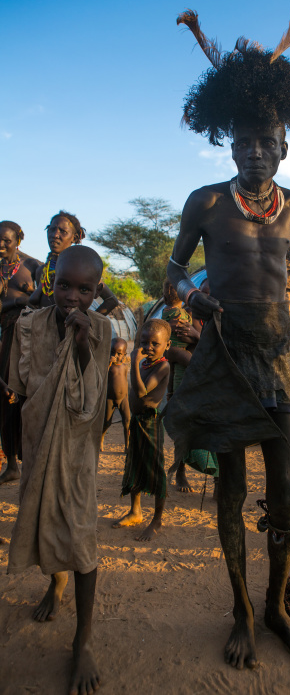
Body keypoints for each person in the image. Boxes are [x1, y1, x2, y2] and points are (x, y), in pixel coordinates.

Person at [165, 8, 290, 669]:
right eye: (246, 143)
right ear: (231, 146)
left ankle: (277, 605)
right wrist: (191, 295)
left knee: (283, 497)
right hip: (224, 354)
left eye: (269, 143)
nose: (257, 152)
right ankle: (242, 612)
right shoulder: (205, 202)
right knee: (230, 492)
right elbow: (171, 270)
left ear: (285, 147)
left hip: (276, 361)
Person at [7, 245, 111, 695]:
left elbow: (93, 400)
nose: (71, 297)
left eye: (84, 290)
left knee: (81, 535)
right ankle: (56, 582)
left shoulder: (103, 329)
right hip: (37, 443)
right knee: (43, 521)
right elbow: (20, 388)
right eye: (64, 285)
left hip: (78, 451)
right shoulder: (28, 327)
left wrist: (84, 341)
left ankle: (83, 639)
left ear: (95, 292)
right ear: (51, 281)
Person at [113, 319, 170, 541]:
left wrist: (134, 364)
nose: (149, 347)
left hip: (150, 422)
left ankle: (157, 519)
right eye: (144, 342)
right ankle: (135, 511)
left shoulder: (162, 366)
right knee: (135, 464)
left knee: (155, 469)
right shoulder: (145, 363)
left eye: (155, 343)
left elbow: (141, 391)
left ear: (166, 345)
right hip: (137, 422)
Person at [162, 278, 219, 493]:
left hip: (211, 382)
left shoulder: (225, 316)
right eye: (202, 296)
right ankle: (180, 471)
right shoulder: (184, 316)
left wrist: (197, 336)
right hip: (189, 380)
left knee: (214, 430)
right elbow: (171, 347)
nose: (206, 300)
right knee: (184, 429)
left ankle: (216, 480)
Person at [0, 220, 38, 485]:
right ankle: (11, 463)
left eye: (6, 240)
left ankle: (29, 463)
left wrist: (16, 301)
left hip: (23, 339)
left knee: (23, 398)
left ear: (19, 240)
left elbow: (42, 301)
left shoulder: (32, 267)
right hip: (2, 342)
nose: (1, 245)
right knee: (3, 400)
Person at [29, 210, 119, 316]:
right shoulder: (42, 271)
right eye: (52, 229)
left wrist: (91, 321)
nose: (55, 235)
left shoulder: (81, 270)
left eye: (63, 231)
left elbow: (111, 300)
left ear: (74, 238)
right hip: (43, 330)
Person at [101, 337, 130, 453]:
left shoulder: (124, 367)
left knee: (127, 421)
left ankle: (127, 445)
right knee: (106, 422)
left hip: (123, 398)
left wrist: (127, 395)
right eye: (112, 353)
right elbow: (102, 378)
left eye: (118, 354)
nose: (115, 356)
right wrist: (108, 364)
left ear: (124, 354)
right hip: (110, 398)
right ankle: (101, 438)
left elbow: (125, 382)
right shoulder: (108, 367)